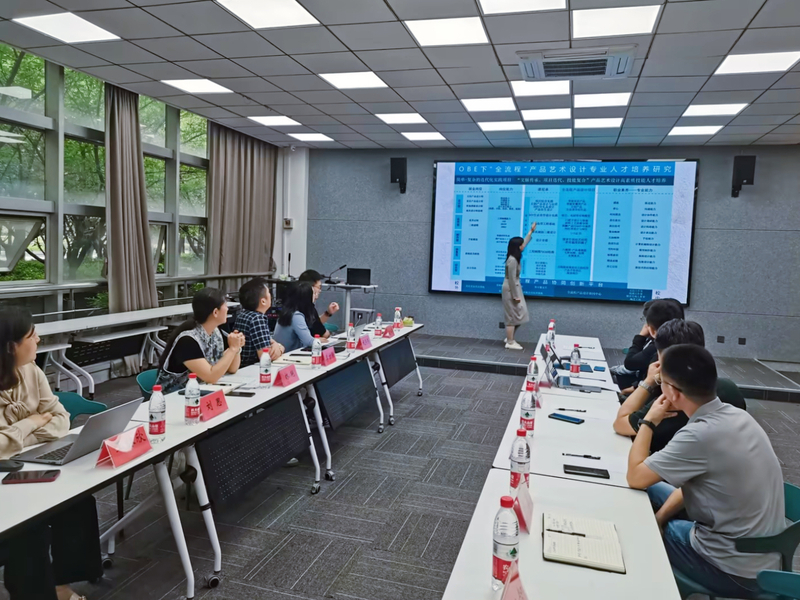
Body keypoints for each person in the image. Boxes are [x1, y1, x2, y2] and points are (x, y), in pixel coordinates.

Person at [627, 344, 785, 598]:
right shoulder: (738, 416)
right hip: (763, 560)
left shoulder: (698, 435)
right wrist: (660, 518)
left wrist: (648, 421)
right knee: (654, 495)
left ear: (672, 392)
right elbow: (694, 485)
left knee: (635, 527)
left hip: (732, 570)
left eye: (660, 382)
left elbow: (635, 477)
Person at [0, 308, 102, 600]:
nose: (39, 340)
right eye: (32, 336)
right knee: (29, 529)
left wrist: (17, 436)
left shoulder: (31, 370)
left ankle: (61, 585)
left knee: (78, 500)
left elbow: (60, 419)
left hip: (23, 462)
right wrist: (32, 422)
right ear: (11, 346)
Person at [614, 319, 745, 453]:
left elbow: (620, 424)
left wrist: (648, 382)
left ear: (662, 357)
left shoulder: (672, 398)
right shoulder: (730, 387)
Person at [156, 287, 245, 394]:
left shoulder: (216, 332)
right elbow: (211, 377)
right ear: (215, 312)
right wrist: (233, 348)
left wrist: (236, 348)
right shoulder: (187, 340)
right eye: (225, 305)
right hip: (175, 397)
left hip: (200, 392)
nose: (227, 309)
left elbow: (232, 369)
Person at [616, 298, 684, 392]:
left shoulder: (660, 346)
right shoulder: (682, 340)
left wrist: (640, 337)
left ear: (651, 328)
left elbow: (631, 363)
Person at [233, 278, 284, 367]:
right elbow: (266, 356)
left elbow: (265, 340)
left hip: (240, 367)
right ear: (263, 301)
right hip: (252, 368)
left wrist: (275, 344)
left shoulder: (242, 315)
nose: (271, 296)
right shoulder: (257, 319)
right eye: (269, 293)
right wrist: (281, 348)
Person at [502, 222, 536, 350]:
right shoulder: (512, 260)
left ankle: (509, 337)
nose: (523, 245)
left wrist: (531, 231)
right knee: (512, 316)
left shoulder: (515, 256)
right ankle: (510, 342)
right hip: (511, 290)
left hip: (515, 288)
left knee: (520, 315)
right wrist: (515, 296)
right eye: (521, 244)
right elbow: (511, 279)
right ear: (517, 247)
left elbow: (524, 243)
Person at [273, 281, 317, 352]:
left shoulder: (287, 312)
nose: (315, 296)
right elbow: (308, 342)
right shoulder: (296, 316)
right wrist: (318, 341)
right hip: (288, 355)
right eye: (313, 293)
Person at [297, 270, 339, 339]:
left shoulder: (297, 303)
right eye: (319, 287)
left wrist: (328, 313)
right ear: (311, 288)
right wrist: (329, 334)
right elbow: (321, 332)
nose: (320, 290)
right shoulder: (306, 307)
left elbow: (315, 324)